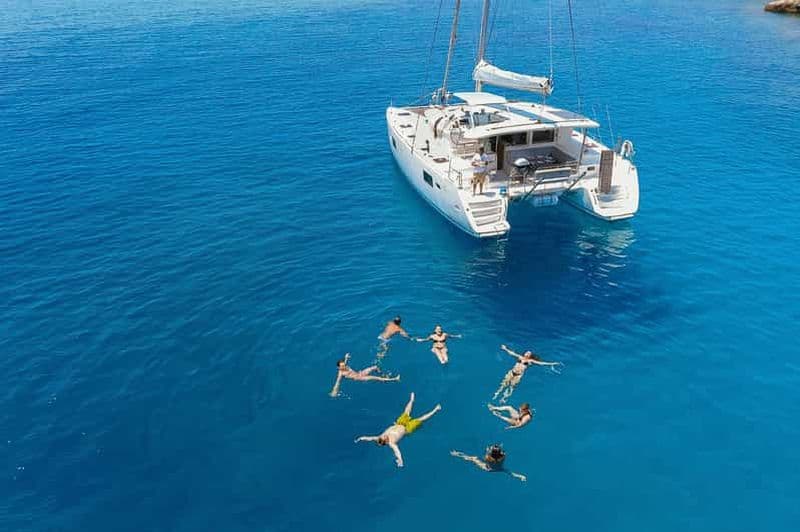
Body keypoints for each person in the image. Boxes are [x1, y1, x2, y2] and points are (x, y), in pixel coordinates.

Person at [355, 392, 441, 468]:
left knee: (406, 411)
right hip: (407, 429)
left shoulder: (380, 437)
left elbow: (370, 438)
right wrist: (400, 460)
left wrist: (361, 438)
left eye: (382, 436)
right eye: (384, 437)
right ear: (385, 441)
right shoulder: (392, 443)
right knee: (421, 419)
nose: (384, 435)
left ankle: (411, 400)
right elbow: (397, 451)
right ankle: (435, 410)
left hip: (399, 423)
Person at [492, 344, 562, 403]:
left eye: (529, 353)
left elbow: (541, 363)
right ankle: (497, 393)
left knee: (512, 386)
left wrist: (552, 363)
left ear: (530, 356)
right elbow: (512, 353)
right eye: (526, 352)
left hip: (518, 375)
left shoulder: (530, 361)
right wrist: (505, 348)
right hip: (512, 372)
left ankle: (504, 398)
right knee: (504, 383)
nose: (527, 353)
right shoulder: (520, 357)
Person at [329, 353, 400, 397]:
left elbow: (344, 362)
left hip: (360, 373)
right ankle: (394, 379)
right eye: (342, 366)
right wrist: (334, 391)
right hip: (359, 378)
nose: (344, 366)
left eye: (344, 365)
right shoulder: (341, 373)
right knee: (375, 377)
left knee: (375, 367)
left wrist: (346, 357)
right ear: (338, 367)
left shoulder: (344, 366)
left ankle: (382, 374)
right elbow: (337, 382)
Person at [450, 444, 526, 482]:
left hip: (488, 469)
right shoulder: (503, 457)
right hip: (500, 469)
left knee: (473, 458)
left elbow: (486, 458)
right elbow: (502, 453)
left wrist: (488, 450)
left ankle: (457, 454)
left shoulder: (488, 458)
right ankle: (520, 476)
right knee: (508, 472)